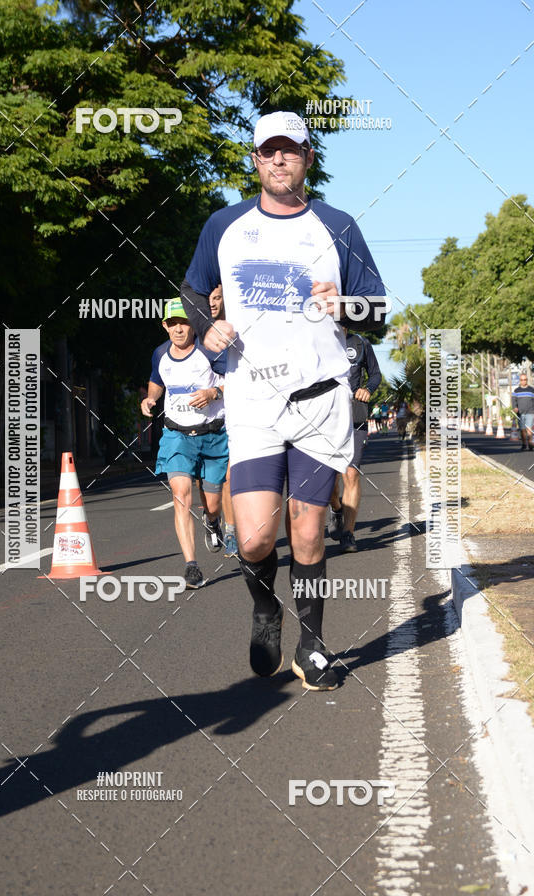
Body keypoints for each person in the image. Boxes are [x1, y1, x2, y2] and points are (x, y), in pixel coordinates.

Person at [181, 110, 387, 690]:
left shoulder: (339, 226)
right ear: (254, 160)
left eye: (290, 150)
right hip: (251, 400)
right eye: (268, 151)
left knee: (306, 532)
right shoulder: (223, 225)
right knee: (253, 538)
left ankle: (314, 645)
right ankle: (266, 605)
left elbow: (380, 311)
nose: (279, 159)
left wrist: (346, 304)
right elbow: (193, 290)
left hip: (321, 401)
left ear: (307, 159)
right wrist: (205, 328)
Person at [141, 298, 229, 588]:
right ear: (165, 326)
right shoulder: (160, 354)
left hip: (213, 435)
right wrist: (152, 397)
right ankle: (191, 566)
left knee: (212, 503)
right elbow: (157, 379)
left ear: (194, 324)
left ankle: (212, 521)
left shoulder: (210, 349)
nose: (179, 329)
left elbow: (238, 379)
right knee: (181, 496)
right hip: (177, 435)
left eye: (184, 322)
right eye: (173, 323)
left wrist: (214, 392)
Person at [328, 329, 382, 552]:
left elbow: (376, 374)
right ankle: (336, 507)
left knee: (351, 473)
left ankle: (348, 533)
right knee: (329, 479)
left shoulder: (360, 342)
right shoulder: (315, 337)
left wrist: (367, 388)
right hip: (325, 418)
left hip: (355, 416)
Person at [203, 284, 239, 558]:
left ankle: (231, 532)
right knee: (208, 484)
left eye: (217, 298)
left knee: (229, 478)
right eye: (208, 299)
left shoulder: (239, 329)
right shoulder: (199, 337)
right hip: (207, 421)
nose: (213, 303)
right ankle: (212, 518)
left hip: (239, 417)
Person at [512, 372, 534, 450]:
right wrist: (514, 407)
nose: (523, 381)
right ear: (520, 381)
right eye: (521, 380)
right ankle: (524, 444)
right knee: (522, 430)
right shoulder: (516, 390)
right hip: (520, 413)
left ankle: (531, 443)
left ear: (527, 380)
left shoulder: (531, 390)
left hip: (530, 412)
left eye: (525, 380)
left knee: (529, 429)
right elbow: (513, 400)